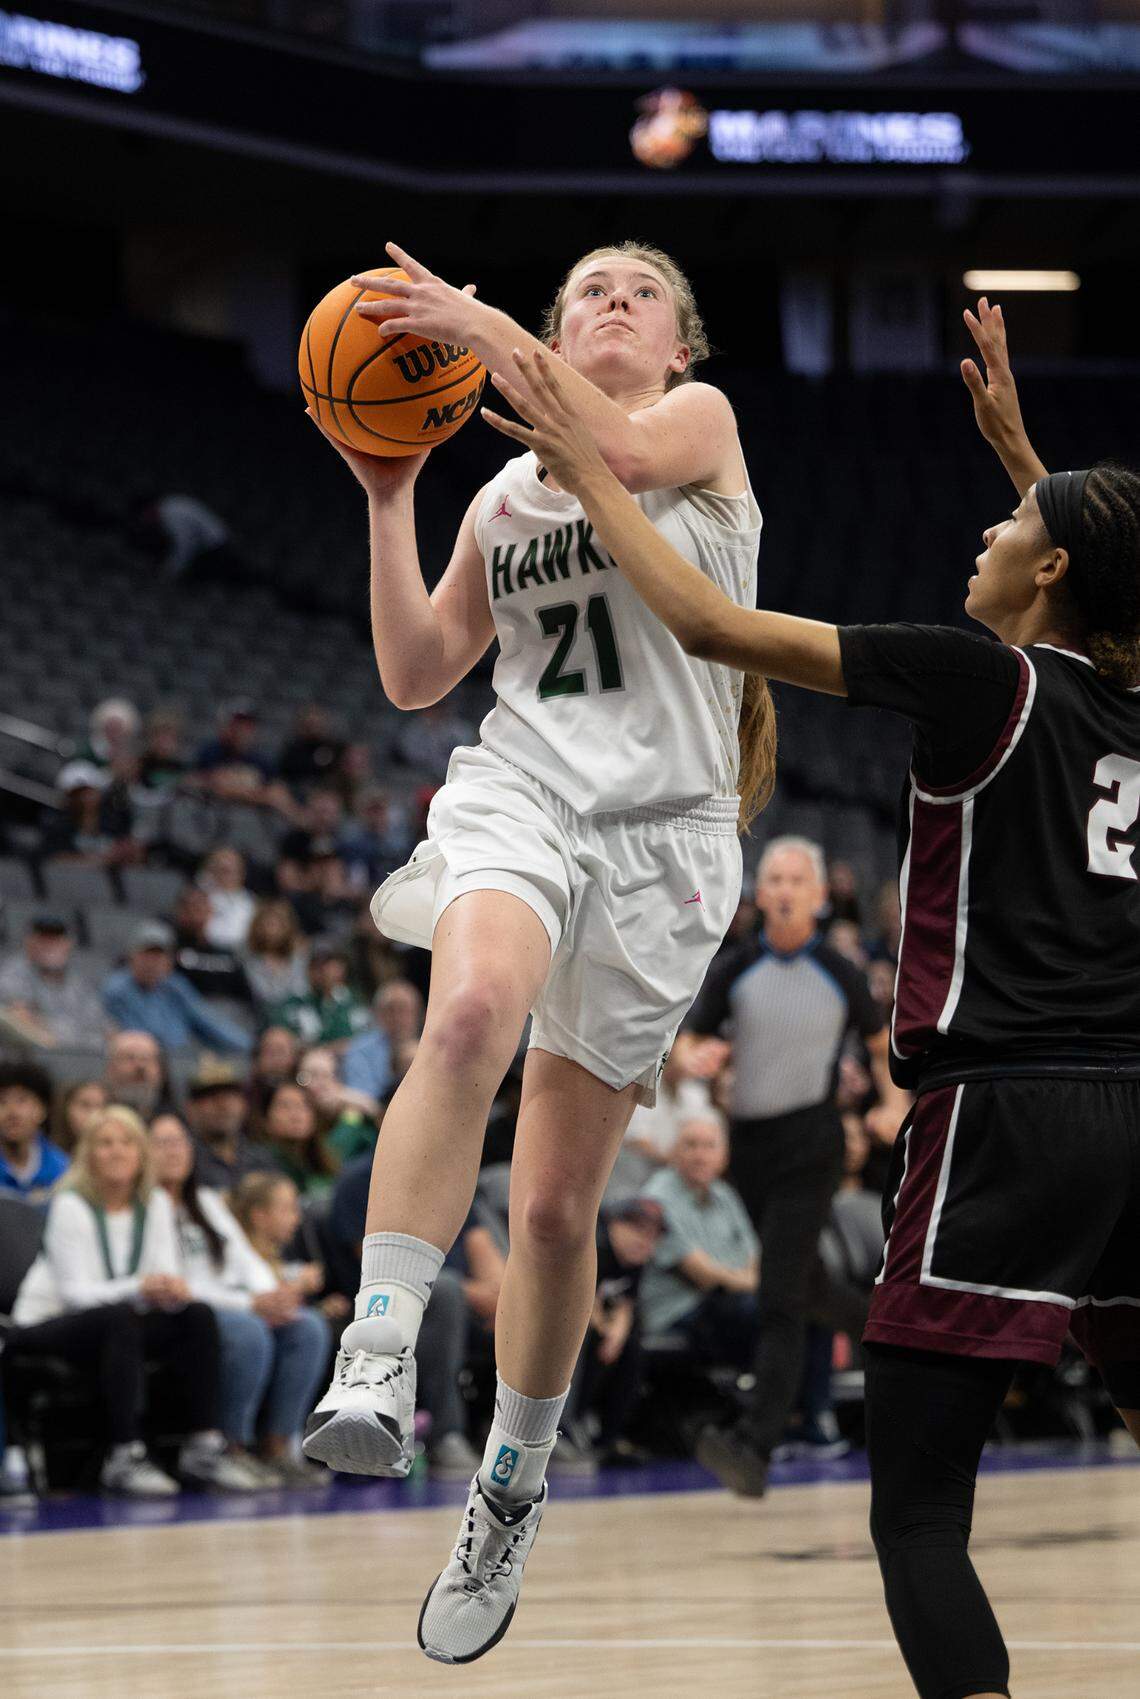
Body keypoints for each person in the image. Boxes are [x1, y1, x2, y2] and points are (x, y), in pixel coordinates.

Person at [484, 308, 1140, 1699]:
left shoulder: (978, 678)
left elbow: (711, 623)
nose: (989, 530)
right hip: (1136, 1114)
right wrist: (1031, 464)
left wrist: (592, 476)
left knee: (918, 1511)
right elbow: (1108, 589)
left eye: (1015, 522)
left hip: (1007, 1115)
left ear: (1055, 569)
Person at [302, 238, 773, 1664]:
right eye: (587, 294)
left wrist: (479, 322)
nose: (611, 304)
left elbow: (611, 448)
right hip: (525, 791)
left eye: (639, 293)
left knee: (559, 1212)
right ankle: (378, 1346)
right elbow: (415, 672)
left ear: (680, 345)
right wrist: (389, 495)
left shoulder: (696, 429)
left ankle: (508, 1484)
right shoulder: (500, 496)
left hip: (668, 841)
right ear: (560, 333)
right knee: (466, 1017)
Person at [681, 835, 908, 1486]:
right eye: (773, 879)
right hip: (749, 1147)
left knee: (778, 1294)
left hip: (812, 1141)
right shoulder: (736, 967)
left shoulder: (839, 972)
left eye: (794, 880)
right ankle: (895, 1338)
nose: (781, 890)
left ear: (818, 896)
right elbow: (692, 1038)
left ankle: (753, 1445)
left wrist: (892, 1102)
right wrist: (696, 1057)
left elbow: (879, 1042)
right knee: (807, 1287)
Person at [10, 1106, 258, 1495]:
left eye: (127, 1142)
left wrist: (170, 1290)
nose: (117, 1151)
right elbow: (76, 1295)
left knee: (196, 1315)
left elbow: (162, 1275)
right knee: (120, 1317)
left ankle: (203, 1446)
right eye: (105, 1143)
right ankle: (125, 1454)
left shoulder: (155, 1203)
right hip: (46, 1324)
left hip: (119, 1322)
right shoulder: (71, 1204)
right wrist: (142, 1287)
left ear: (142, 1154)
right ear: (88, 1155)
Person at [149, 1113, 329, 1487]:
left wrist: (273, 1295)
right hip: (185, 1311)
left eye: (180, 1142)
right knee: (248, 1331)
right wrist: (251, 1304)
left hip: (235, 1303)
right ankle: (231, 1447)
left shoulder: (205, 1201)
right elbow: (175, 1284)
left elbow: (243, 1256)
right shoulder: (148, 1206)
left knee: (307, 1326)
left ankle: (279, 1447)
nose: (174, 1151)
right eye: (162, 1143)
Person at [639, 1114, 760, 1366]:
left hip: (729, 1301)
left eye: (709, 1146)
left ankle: (808, 1395)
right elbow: (703, 1276)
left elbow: (754, 1257)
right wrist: (754, 1285)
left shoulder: (724, 1194)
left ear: (724, 1156)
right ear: (674, 1151)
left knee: (803, 1312)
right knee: (756, 1311)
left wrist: (754, 1283)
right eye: (691, 1145)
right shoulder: (656, 1199)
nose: (700, 1155)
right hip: (678, 1310)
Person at [103, 922, 253, 1055]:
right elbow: (136, 1037)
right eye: (147, 955)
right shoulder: (117, 989)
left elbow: (208, 1022)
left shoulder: (175, 986)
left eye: (159, 956)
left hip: (180, 1059)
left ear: (169, 961)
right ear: (132, 956)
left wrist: (252, 1048)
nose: (152, 963)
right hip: (144, 1060)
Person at [0, 914, 108, 1049]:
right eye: (43, 939)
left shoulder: (79, 981)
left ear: (68, 944)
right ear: (29, 943)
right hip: (39, 1056)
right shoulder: (13, 975)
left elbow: (100, 1025)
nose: (50, 945)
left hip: (84, 1053)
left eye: (56, 939)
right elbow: (21, 1021)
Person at [185, 1061, 279, 1190]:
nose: (223, 1106)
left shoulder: (262, 1159)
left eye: (230, 1097)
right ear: (191, 1108)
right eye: (212, 1097)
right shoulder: (185, 1162)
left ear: (244, 1105)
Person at [268, 940, 369, 1049]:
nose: (324, 972)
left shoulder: (354, 1000)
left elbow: (366, 1037)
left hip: (352, 1056)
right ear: (308, 970)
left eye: (330, 966)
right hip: (308, 1057)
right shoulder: (294, 1003)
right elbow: (282, 1040)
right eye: (317, 966)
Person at [341, 978, 425, 1103]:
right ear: (377, 1013)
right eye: (390, 1010)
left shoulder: (429, 1047)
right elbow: (360, 1096)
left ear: (418, 1014)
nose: (397, 1017)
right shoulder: (361, 1050)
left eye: (404, 1009)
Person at [0, 1061, 69, 1203]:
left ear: (42, 1109)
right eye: (2, 1101)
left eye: (22, 1100)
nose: (12, 1112)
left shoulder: (62, 1172)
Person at [254, 1082, 337, 1199]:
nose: (296, 1116)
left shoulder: (325, 1160)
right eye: (285, 1106)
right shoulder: (260, 1163)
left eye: (304, 1106)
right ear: (265, 1118)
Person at [243, 900, 310, 1013]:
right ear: (257, 927)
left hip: (295, 1013)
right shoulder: (248, 959)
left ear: (286, 928)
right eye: (266, 925)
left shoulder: (298, 958)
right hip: (260, 1014)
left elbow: (301, 991)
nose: (270, 931)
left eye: (276, 925)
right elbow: (263, 995)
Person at [103, 1030, 170, 1121]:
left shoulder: (174, 1122)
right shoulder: (95, 1112)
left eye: (146, 1058)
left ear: (161, 1071)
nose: (140, 1066)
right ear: (110, 1068)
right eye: (129, 1058)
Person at [52, 1078, 109, 1155]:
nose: (94, 1114)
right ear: (65, 1108)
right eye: (85, 1105)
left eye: (100, 1106)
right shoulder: (48, 1152)